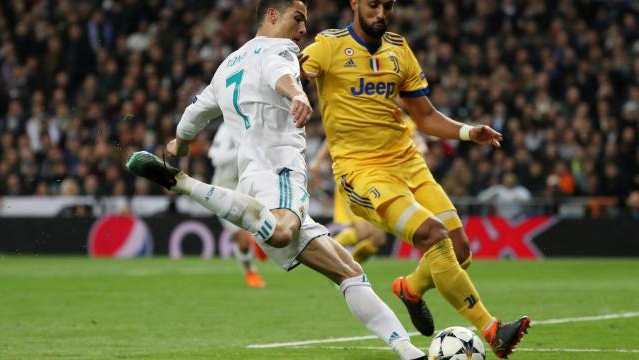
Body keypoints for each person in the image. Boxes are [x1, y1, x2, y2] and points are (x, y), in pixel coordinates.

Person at [126, 1, 425, 358]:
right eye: (297, 19)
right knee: (283, 232)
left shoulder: (226, 66)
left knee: (348, 270)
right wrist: (297, 93)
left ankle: (409, 351)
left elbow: (194, 114)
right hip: (279, 171)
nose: (302, 30)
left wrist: (181, 143)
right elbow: (277, 71)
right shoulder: (279, 49)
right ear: (271, 15)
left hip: (252, 184)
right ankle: (182, 183)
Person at [301, 0, 530, 357]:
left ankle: (410, 287)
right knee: (432, 235)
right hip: (363, 172)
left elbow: (425, 116)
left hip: (409, 163)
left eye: (387, 6)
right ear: (355, 4)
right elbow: (289, 69)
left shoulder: (399, 49)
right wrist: (292, 90)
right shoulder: (328, 46)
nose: (381, 13)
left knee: (459, 250)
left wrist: (470, 132)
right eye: (373, 5)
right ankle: (492, 329)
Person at [309, 115, 427, 263]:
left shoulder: (403, 121)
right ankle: (328, 256)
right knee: (364, 231)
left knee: (377, 239)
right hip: (355, 177)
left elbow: (419, 141)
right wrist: (318, 161)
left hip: (381, 183)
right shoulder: (366, 112)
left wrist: (419, 151)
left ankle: (349, 267)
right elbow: (337, 133)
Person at [208, 122, 266, 288]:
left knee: (263, 223)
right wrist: (241, 150)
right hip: (222, 190)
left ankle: (259, 242)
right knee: (241, 237)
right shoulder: (226, 129)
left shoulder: (254, 127)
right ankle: (250, 272)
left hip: (244, 186)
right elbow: (215, 157)